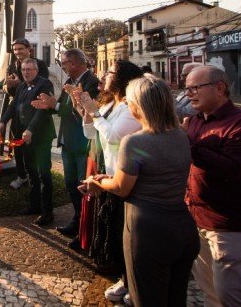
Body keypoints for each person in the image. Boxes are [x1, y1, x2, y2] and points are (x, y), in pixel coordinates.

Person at [80, 75, 199, 307]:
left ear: (137, 106)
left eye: (129, 101)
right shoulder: (182, 134)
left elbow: (122, 188)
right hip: (182, 225)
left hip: (148, 231)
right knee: (176, 298)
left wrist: (97, 183)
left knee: (146, 298)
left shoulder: (136, 142)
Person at [183, 65, 241, 306]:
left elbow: (232, 169)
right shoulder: (196, 121)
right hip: (198, 219)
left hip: (231, 226)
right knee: (210, 293)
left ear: (219, 88)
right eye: (187, 88)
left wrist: (188, 143)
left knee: (232, 297)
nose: (189, 93)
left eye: (196, 88)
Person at [75, 59, 143, 303]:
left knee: (126, 235)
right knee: (115, 233)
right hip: (108, 173)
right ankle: (124, 277)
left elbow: (114, 136)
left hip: (125, 178)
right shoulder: (112, 104)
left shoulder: (131, 107)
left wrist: (94, 112)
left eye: (111, 72)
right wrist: (86, 111)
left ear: (124, 79)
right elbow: (91, 132)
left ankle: (131, 281)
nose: (104, 75)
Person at [38, 49, 99, 245]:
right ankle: (77, 220)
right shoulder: (70, 83)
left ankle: (86, 229)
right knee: (71, 185)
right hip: (67, 142)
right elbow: (66, 109)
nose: (63, 67)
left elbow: (81, 112)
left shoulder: (91, 82)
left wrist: (54, 105)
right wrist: (53, 106)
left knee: (83, 187)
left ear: (73, 63)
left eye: (64, 63)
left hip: (82, 144)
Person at [0, 58, 55, 225]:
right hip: (25, 137)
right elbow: (13, 105)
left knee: (44, 173)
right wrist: (3, 121)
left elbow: (42, 111)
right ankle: (34, 205)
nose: (27, 72)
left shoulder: (45, 84)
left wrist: (30, 129)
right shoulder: (22, 85)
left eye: (30, 69)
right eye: (24, 70)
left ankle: (47, 211)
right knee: (31, 171)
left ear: (36, 70)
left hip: (40, 136)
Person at [3, 38, 51, 190]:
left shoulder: (39, 64)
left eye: (20, 49)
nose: (17, 52)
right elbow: (9, 90)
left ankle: (37, 179)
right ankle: (22, 175)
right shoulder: (12, 66)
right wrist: (9, 86)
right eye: (15, 50)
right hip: (18, 110)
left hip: (35, 111)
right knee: (17, 144)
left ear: (29, 49)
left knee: (33, 148)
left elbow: (40, 86)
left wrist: (20, 85)